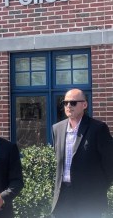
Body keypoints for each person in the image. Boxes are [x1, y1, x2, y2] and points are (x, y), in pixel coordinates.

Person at [51, 88, 113, 218]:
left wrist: (98, 188)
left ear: (84, 105)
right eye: (65, 102)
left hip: (89, 198)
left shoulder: (98, 128)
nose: (68, 106)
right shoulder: (57, 128)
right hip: (63, 197)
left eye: (73, 102)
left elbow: (109, 164)